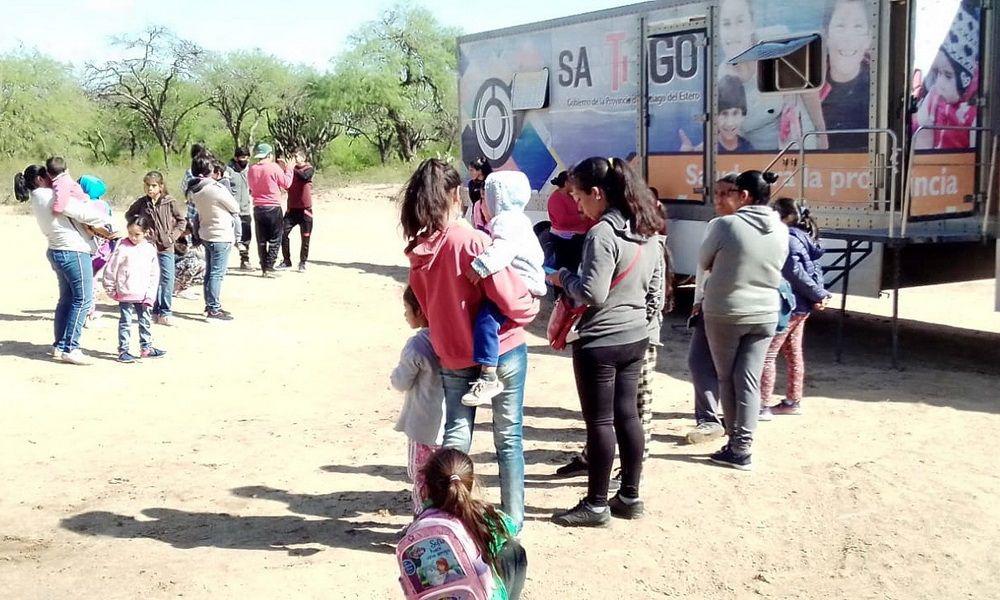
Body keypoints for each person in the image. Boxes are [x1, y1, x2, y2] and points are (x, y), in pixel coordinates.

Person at [402, 158, 539, 531]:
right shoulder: (474, 241)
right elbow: (510, 298)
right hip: (505, 348)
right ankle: (512, 523)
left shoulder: (419, 253)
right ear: (455, 194)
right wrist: (532, 305)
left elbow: (426, 312)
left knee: (456, 436)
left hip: (454, 357)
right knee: (508, 438)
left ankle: (447, 516)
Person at [547, 157, 664, 527]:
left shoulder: (602, 235)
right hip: (635, 337)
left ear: (598, 193)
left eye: (579, 196)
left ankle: (596, 505)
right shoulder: (647, 230)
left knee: (599, 422)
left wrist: (563, 278)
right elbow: (655, 291)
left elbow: (592, 294)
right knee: (628, 417)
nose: (577, 205)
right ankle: (629, 495)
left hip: (600, 341)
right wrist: (639, 321)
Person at [699, 170, 789, 471]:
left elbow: (703, 261)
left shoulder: (726, 225)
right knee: (749, 380)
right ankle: (743, 447)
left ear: (744, 196)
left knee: (727, 379)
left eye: (733, 193)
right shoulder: (781, 228)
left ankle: (734, 444)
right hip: (765, 312)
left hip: (726, 311)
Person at [462, 171, 546, 407]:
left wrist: (480, 266)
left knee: (486, 322)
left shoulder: (506, 221)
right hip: (522, 285)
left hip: (521, 284)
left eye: (485, 198)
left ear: (498, 199)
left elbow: (503, 249)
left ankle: (488, 375)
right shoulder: (518, 219)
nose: (481, 203)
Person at [18, 165, 113, 365]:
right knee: (83, 299)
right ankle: (71, 347)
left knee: (67, 299)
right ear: (40, 179)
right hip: (73, 251)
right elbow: (82, 213)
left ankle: (60, 344)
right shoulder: (49, 196)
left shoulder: (38, 197)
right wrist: (109, 225)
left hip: (58, 250)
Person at [413, 448, 527, 600]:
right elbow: (511, 527)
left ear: (426, 487)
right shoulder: (481, 517)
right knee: (513, 550)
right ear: (471, 485)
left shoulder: (419, 527)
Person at [760, 198, 831, 416]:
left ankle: (761, 406)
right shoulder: (805, 238)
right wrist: (819, 295)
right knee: (793, 354)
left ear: (786, 217)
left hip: (788, 304)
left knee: (767, 356)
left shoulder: (788, 239)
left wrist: (818, 294)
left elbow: (794, 273)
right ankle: (792, 402)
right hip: (802, 306)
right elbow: (812, 271)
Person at [685, 175, 742, 445]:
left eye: (725, 193)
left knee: (735, 369)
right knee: (699, 361)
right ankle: (709, 418)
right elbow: (703, 268)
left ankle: (734, 424)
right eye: (715, 193)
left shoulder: (736, 227)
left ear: (743, 195)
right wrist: (698, 299)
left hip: (732, 309)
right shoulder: (715, 225)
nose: (718, 199)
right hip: (711, 305)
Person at [391, 286, 446, 515]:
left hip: (422, 426)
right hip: (450, 424)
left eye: (407, 309)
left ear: (421, 311)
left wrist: (393, 376)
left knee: (421, 477)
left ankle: (421, 521)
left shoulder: (417, 345)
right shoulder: (451, 338)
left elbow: (400, 382)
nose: (405, 314)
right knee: (446, 478)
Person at [912, 2, 980, 150]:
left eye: (948, 75)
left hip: (960, 167)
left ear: (967, 79)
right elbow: (922, 138)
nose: (939, 83)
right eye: (938, 74)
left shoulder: (975, 112)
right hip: (935, 169)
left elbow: (976, 152)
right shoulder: (934, 97)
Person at [125, 171, 186, 327]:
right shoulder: (142, 203)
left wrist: (172, 236)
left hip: (166, 246)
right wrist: (142, 229)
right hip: (149, 246)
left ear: (161, 186)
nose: (150, 189)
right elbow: (129, 215)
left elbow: (181, 221)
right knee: (152, 278)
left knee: (167, 278)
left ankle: (165, 311)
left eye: (154, 186)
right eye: (147, 185)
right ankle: (154, 310)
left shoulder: (169, 202)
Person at [102, 214, 166, 363]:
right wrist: (111, 289)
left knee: (145, 320)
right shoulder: (122, 247)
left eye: (137, 234)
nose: (133, 237)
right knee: (125, 321)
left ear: (146, 232)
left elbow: (154, 273)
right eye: (130, 233)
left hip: (143, 294)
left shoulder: (149, 249)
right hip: (124, 293)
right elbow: (111, 268)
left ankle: (146, 348)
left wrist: (151, 294)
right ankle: (123, 350)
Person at [187, 154, 239, 320]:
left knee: (210, 272)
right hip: (220, 234)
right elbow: (235, 207)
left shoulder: (195, 190)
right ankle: (214, 309)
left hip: (207, 233)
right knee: (217, 274)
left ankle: (210, 304)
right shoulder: (214, 189)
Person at [820, 0, 872, 150]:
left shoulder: (880, 89)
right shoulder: (808, 86)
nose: (848, 38)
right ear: (826, 34)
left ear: (868, 38)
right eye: (840, 26)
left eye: (858, 27)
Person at [248, 142, 293, 276]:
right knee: (275, 238)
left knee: (261, 239)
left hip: (258, 207)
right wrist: (288, 169)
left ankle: (263, 267)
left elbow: (251, 188)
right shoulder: (273, 167)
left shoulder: (252, 169)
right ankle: (269, 266)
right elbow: (286, 183)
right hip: (273, 206)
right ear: (269, 155)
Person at [547, 170, 594, 274]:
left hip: (579, 239)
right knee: (566, 269)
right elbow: (562, 220)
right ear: (566, 183)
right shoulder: (556, 198)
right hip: (563, 241)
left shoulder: (573, 197)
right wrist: (581, 217)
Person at [279, 148, 315, 272]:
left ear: (303, 158)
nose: (294, 159)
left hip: (305, 209)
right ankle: (286, 260)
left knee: (305, 237)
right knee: (282, 233)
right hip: (292, 209)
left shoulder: (308, 169)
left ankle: (303, 262)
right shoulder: (289, 171)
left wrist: (291, 168)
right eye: (293, 157)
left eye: (296, 157)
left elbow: (305, 177)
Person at [226, 147, 254, 271]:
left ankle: (245, 259)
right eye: (243, 157)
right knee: (227, 237)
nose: (245, 160)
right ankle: (223, 263)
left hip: (245, 209)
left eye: (247, 157)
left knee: (246, 237)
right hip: (230, 211)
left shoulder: (250, 170)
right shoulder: (228, 171)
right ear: (236, 158)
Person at [716, 75, 754, 153]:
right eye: (724, 114)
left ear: (743, 116)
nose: (730, 123)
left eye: (735, 113)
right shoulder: (704, 149)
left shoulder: (748, 148)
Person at [172, 223, 205, 299]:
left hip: (180, 265)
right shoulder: (171, 239)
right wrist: (188, 252)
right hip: (173, 266)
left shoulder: (183, 240)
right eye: (184, 233)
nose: (184, 235)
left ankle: (183, 287)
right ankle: (180, 289)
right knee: (193, 263)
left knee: (203, 265)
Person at [467, 157, 492, 229]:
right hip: (476, 215)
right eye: (469, 170)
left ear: (480, 170)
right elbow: (473, 199)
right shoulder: (471, 184)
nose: (470, 173)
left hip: (488, 215)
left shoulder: (489, 182)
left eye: (472, 170)